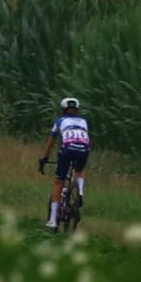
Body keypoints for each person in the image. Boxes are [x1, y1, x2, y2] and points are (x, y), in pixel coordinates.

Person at [41, 97, 91, 231]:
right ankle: (80, 192)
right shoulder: (84, 122)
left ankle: (52, 220)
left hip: (68, 149)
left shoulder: (60, 121)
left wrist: (45, 158)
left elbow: (51, 140)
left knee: (59, 182)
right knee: (79, 170)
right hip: (84, 149)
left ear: (63, 110)